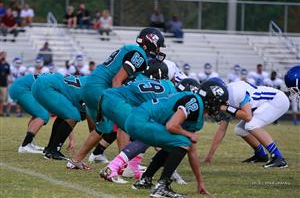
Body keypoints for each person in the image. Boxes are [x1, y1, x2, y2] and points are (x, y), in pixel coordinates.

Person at [66, 27, 166, 168]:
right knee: (125, 122)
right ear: (151, 42)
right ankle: (123, 165)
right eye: (158, 46)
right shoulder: (139, 54)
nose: (159, 50)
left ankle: (75, 161)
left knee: (104, 128)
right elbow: (117, 80)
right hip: (99, 88)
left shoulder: (131, 49)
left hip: (90, 86)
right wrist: (117, 101)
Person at [125, 80, 228, 197]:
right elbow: (171, 126)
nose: (220, 108)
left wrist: (200, 182)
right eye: (220, 104)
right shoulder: (194, 102)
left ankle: (145, 180)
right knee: (182, 141)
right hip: (141, 120)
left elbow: (192, 152)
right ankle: (162, 186)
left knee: (177, 143)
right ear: (211, 99)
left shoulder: (196, 108)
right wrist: (189, 135)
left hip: (137, 119)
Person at [204, 78, 289, 168]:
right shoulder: (225, 99)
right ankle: (260, 155)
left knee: (251, 125)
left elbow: (247, 116)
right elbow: (221, 130)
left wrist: (226, 108)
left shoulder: (235, 92)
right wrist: (210, 156)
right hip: (265, 104)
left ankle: (278, 158)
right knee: (240, 130)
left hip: (276, 101)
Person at [32, 73, 86, 160]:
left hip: (38, 85)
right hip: (46, 86)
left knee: (65, 116)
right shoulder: (96, 88)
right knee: (73, 116)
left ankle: (50, 149)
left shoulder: (89, 82)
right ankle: (54, 150)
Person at [9, 73, 49, 153]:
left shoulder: (59, 80)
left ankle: (28, 143)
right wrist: (72, 139)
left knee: (38, 114)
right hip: (21, 89)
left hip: (19, 87)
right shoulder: (61, 86)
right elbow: (63, 114)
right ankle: (25, 145)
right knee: (43, 115)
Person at [0, 51, 10, 116]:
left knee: (2, 99)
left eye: (4, 55)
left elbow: (7, 75)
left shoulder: (7, 65)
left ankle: (1, 112)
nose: (4, 56)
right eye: (2, 55)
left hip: (4, 84)